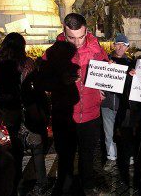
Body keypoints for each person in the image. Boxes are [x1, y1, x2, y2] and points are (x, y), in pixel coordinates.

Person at [40, 13, 108, 196]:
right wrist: (60, 81)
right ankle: (64, 187)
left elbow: (108, 73)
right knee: (65, 157)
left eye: (81, 37)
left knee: (88, 156)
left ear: (87, 31)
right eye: (72, 38)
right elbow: (43, 82)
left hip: (91, 114)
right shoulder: (52, 53)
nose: (77, 43)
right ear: (64, 31)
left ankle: (87, 186)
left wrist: (105, 87)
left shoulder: (97, 49)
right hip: (65, 115)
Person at [0, 33, 48, 196]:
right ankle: (42, 183)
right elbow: (33, 88)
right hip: (27, 110)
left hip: (5, 112)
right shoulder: (27, 63)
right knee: (37, 147)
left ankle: (16, 185)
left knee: (13, 150)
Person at [101, 34, 132, 172]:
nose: (120, 47)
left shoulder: (132, 63)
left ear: (127, 47)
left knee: (125, 133)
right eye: (118, 44)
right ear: (114, 45)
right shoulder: (104, 60)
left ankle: (129, 156)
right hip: (107, 103)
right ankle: (111, 157)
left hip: (124, 105)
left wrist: (133, 76)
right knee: (108, 133)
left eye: (123, 45)